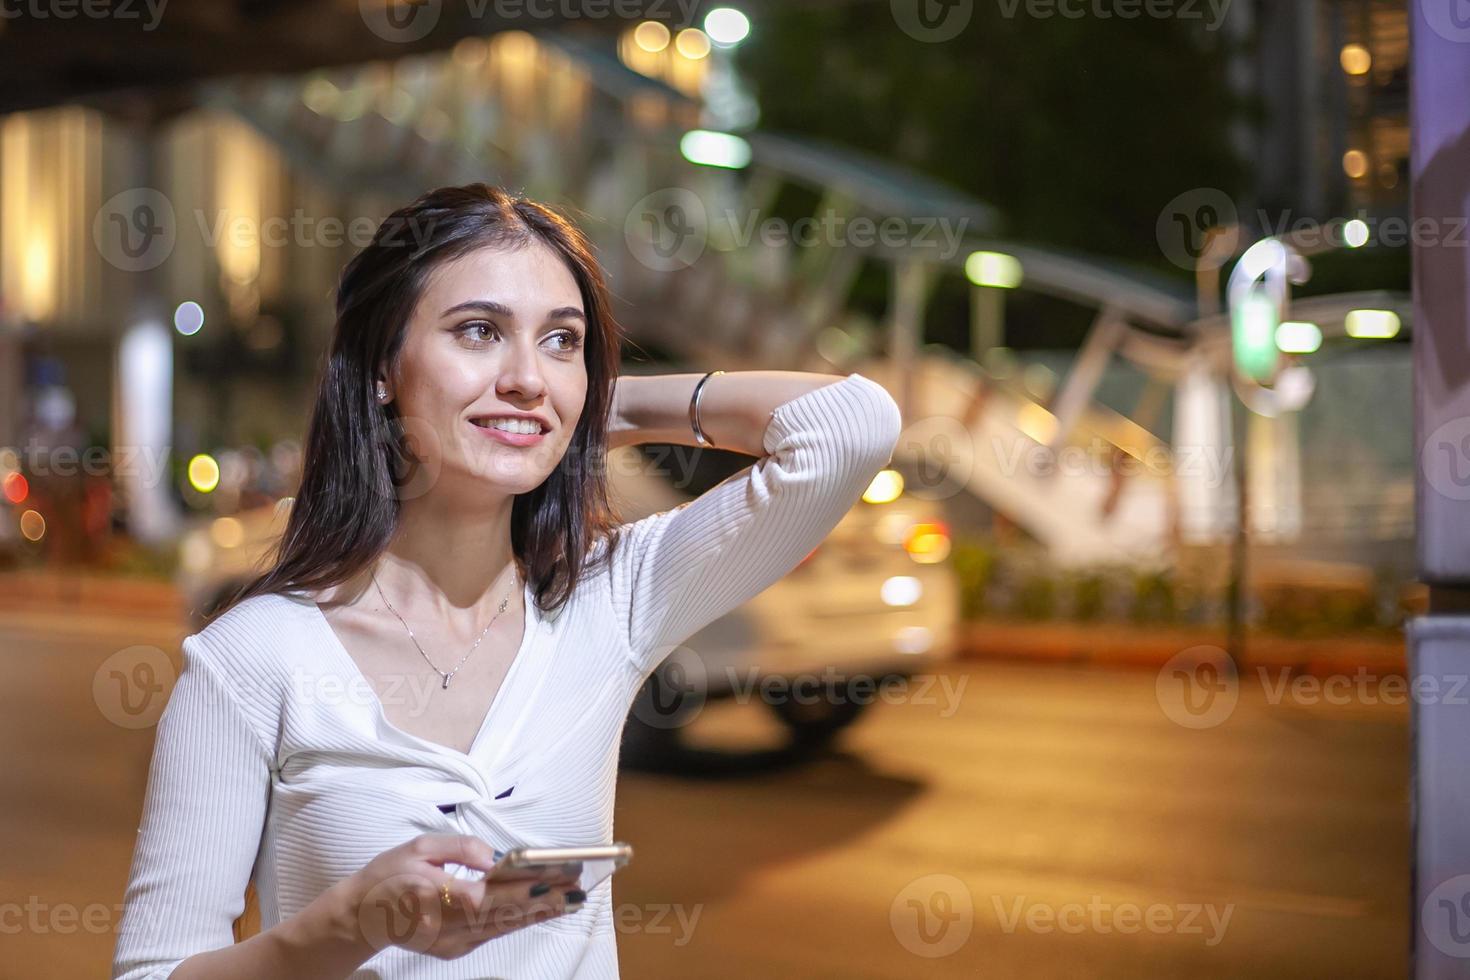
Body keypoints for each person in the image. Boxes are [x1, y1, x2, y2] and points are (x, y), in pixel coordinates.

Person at [111, 183, 903, 979]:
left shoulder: (608, 599)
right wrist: (346, 926)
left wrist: (597, 408)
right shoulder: (251, 660)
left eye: (562, 342)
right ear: (383, 367)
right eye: (480, 332)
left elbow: (851, 428)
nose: (528, 376)